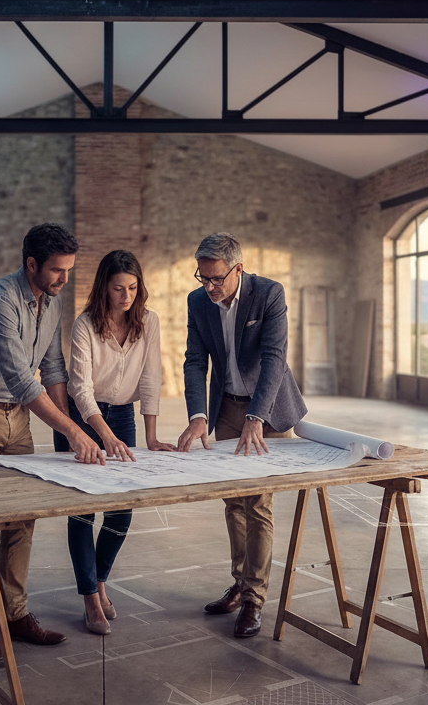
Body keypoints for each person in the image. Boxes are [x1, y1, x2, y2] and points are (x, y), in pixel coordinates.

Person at [0, 223, 118, 662]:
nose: (64, 279)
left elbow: (53, 368)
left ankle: (15, 615)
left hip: (16, 419)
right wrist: (75, 432)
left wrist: (70, 429)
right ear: (31, 264)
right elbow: (22, 379)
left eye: (68, 270)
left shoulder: (52, 302)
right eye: (57, 270)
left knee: (24, 516)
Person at [175, 232, 307, 639]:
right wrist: (198, 415)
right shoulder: (198, 301)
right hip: (226, 407)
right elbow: (195, 361)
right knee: (233, 501)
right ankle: (240, 582)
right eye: (203, 278)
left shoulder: (268, 293)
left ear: (238, 269)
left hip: (265, 408)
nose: (209, 287)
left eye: (217, 279)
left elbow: (273, 358)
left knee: (258, 504)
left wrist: (257, 416)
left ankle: (254, 599)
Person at [53, 250, 178, 636]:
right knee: (84, 509)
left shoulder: (149, 322)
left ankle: (100, 580)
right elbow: (80, 387)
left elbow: (151, 378)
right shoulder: (85, 325)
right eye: (118, 288)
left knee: (123, 508)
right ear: (104, 288)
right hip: (82, 418)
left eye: (133, 287)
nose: (126, 295)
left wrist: (152, 435)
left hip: (123, 414)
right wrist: (103, 435)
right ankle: (90, 598)